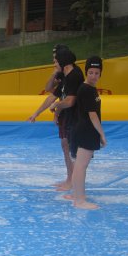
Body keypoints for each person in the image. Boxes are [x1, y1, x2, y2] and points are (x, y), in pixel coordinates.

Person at [63, 56, 107, 210]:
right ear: (86, 72)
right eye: (91, 72)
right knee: (81, 166)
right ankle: (80, 200)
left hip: (82, 130)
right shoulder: (87, 89)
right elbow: (93, 115)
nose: (94, 76)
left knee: (80, 165)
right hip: (87, 131)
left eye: (97, 73)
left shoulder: (86, 88)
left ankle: (76, 195)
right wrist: (102, 134)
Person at [48, 48, 84, 192]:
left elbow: (69, 101)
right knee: (66, 147)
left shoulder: (74, 76)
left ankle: (73, 181)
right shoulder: (65, 75)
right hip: (67, 115)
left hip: (74, 116)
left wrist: (56, 106)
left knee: (71, 149)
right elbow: (51, 91)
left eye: (56, 60)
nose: (54, 63)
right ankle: (70, 178)